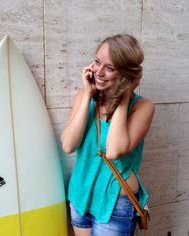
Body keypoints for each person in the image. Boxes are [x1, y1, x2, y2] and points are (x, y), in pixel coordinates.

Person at [61, 34, 155, 236]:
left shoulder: (142, 107)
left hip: (115, 203)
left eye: (109, 68)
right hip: (80, 195)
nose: (99, 72)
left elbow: (113, 151)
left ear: (125, 74)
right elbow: (68, 145)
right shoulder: (84, 96)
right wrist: (87, 94)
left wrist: (124, 95)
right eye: (97, 62)